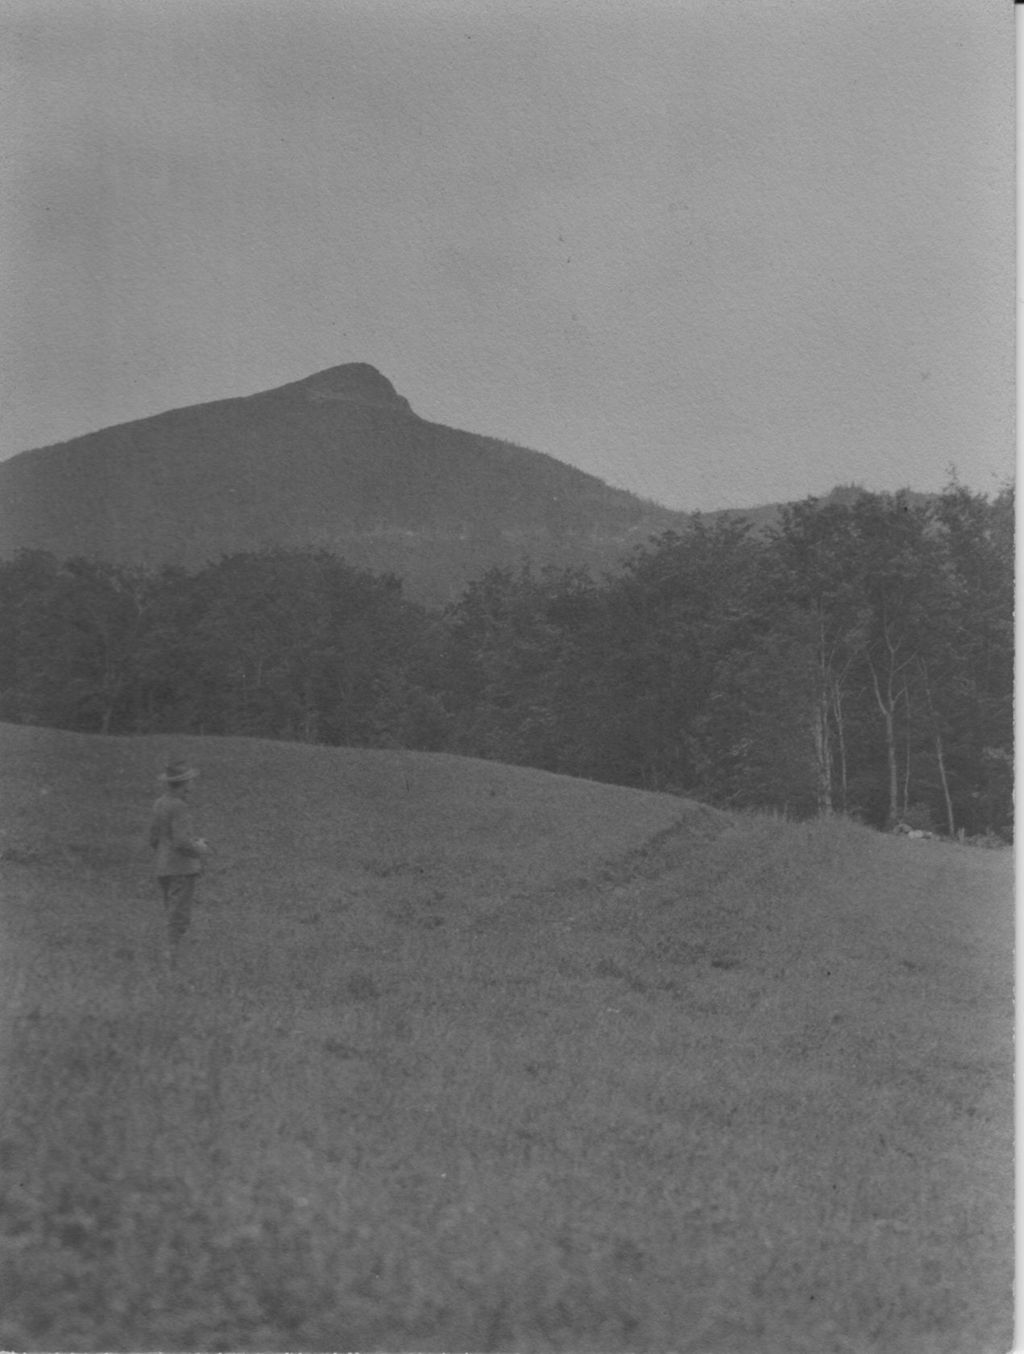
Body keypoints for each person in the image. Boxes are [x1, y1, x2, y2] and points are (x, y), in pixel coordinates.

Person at [149, 760, 210, 968]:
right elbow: (182, 842)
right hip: (181, 868)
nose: (193, 784)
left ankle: (170, 957)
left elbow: (153, 838)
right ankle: (171, 960)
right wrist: (200, 848)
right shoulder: (180, 807)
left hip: (163, 866)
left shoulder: (159, 803)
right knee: (179, 917)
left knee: (171, 911)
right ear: (184, 783)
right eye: (191, 781)